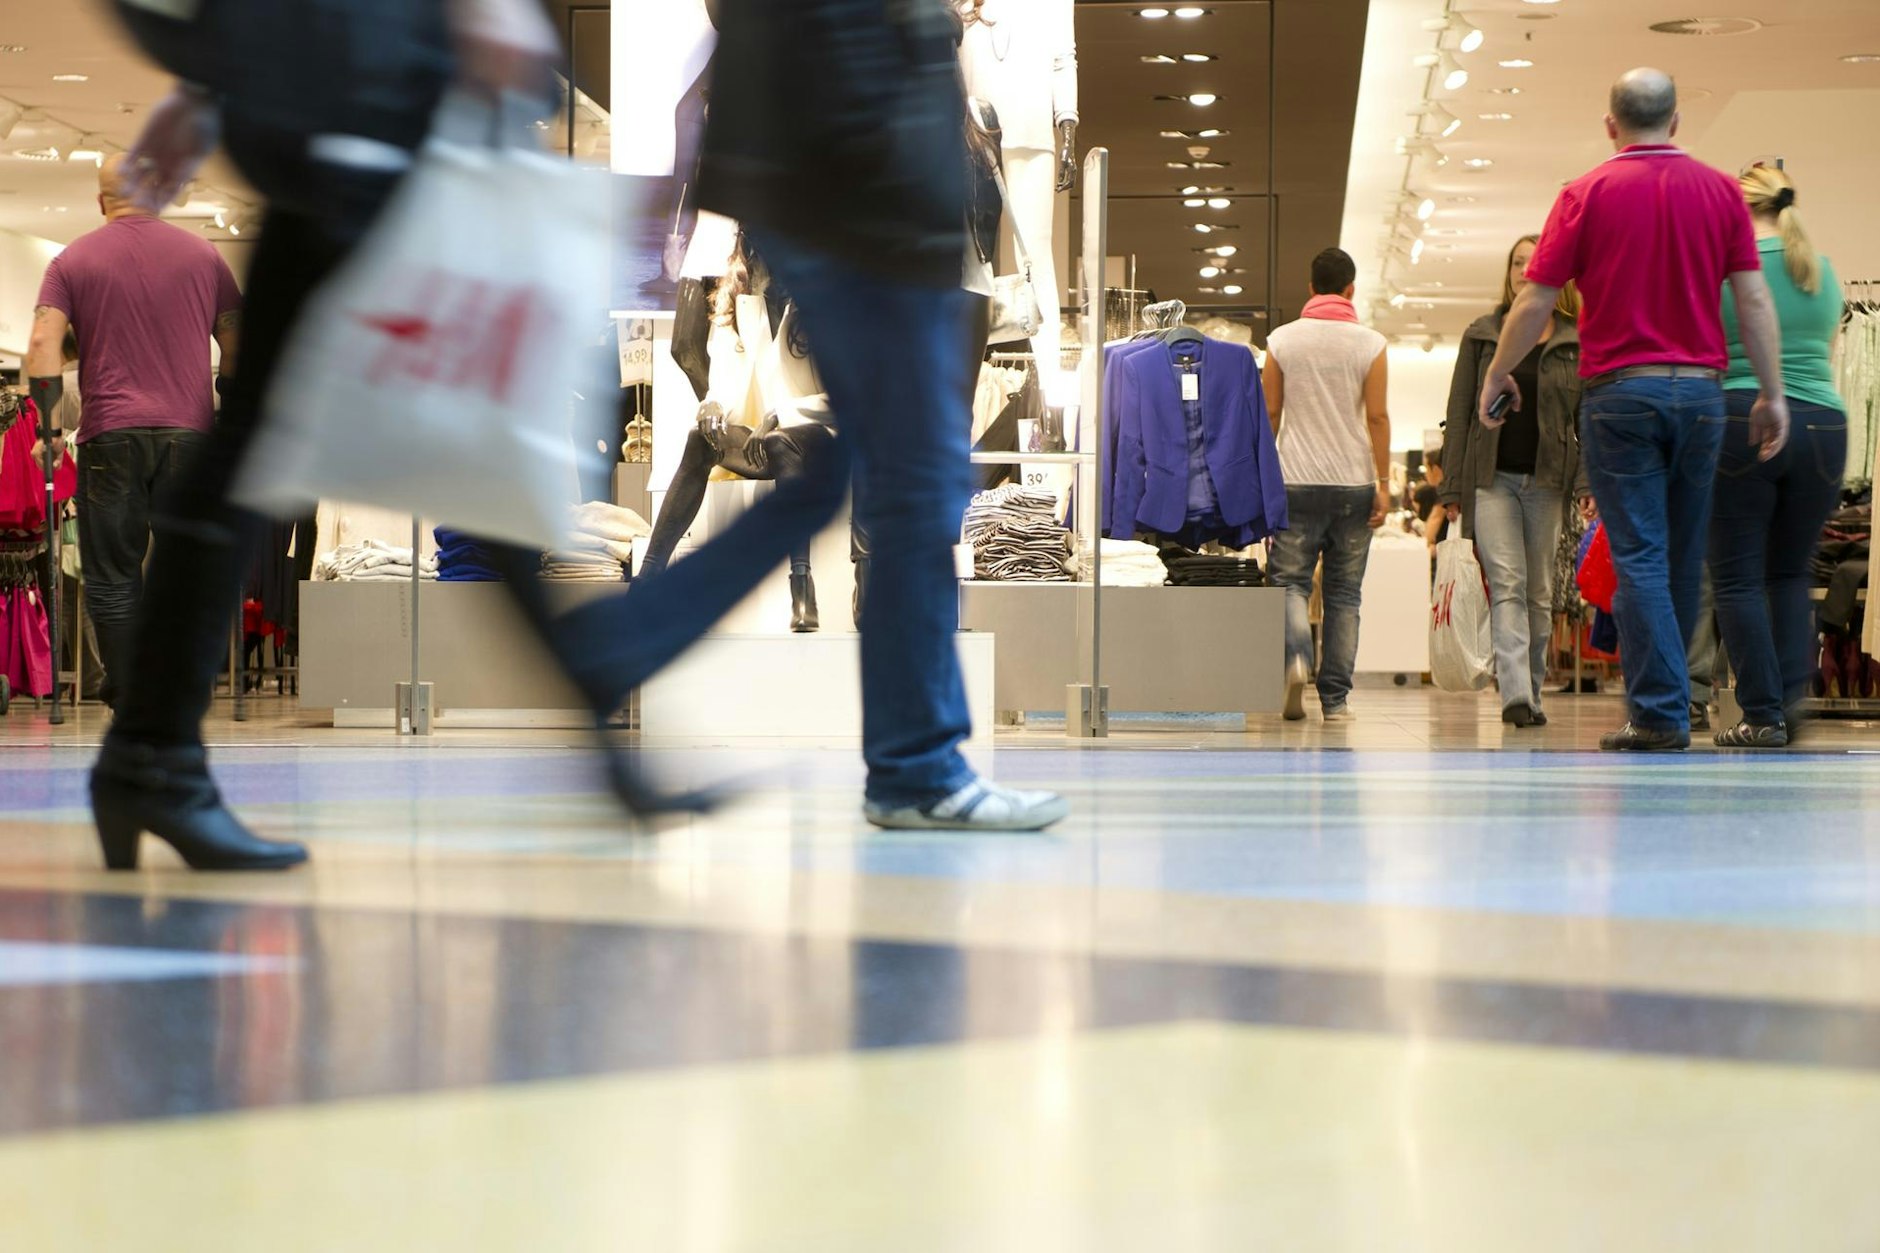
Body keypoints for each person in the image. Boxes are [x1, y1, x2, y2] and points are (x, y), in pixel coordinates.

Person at [92, 0, 1062, 875]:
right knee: (328, 453)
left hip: (371, 117)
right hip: (362, 123)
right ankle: (159, 757)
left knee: (426, 451)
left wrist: (216, 75)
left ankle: (616, 712)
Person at [1479, 68, 1790, 752]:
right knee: (1681, 556)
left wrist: (1499, 370)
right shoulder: (1719, 192)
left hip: (1621, 394)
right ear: (1676, 122)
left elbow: (1535, 301)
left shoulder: (1583, 193)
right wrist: (1770, 393)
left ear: (1611, 126)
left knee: (1642, 554)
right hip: (1703, 394)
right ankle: (1671, 703)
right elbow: (1754, 299)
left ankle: (1659, 712)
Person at [25, 154, 242, 709]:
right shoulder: (205, 256)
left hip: (109, 435)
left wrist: (49, 429)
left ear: (102, 202)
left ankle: (129, 688)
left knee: (114, 574)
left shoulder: (71, 260)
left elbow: (43, 345)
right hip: (189, 435)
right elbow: (237, 342)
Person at [1709, 165, 1847, 748]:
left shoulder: (1726, 272)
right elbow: (1830, 347)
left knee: (1738, 578)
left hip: (1745, 417)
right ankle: (1790, 700)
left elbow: (1707, 349)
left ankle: (1762, 713)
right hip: (1825, 424)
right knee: (1790, 573)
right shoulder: (1821, 270)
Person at [1441, 235, 1587, 728]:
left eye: (1534, 261)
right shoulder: (1482, 334)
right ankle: (1516, 694)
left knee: (1539, 594)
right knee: (1508, 583)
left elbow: (1586, 416)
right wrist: (1452, 488)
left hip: (1549, 480)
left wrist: (1587, 483)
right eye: (1517, 263)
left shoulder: (1575, 337)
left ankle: (1533, 688)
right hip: (1491, 479)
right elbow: (1460, 412)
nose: (1524, 270)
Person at [1263, 247, 1391, 722]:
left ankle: (1297, 657)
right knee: (1344, 595)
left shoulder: (1282, 340)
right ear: (1351, 289)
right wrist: (1383, 482)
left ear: (1310, 287)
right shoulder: (1370, 343)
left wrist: (1262, 478)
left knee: (1290, 583)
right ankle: (1335, 701)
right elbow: (1376, 415)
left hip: (1294, 479)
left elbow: (1270, 414)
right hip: (1354, 483)